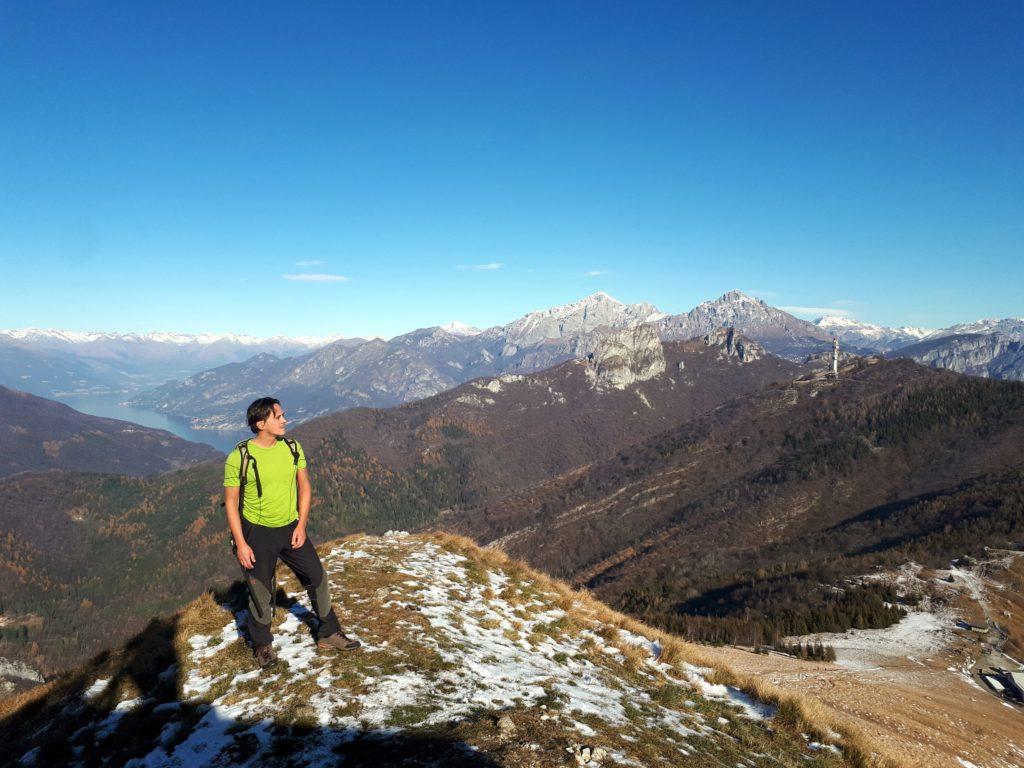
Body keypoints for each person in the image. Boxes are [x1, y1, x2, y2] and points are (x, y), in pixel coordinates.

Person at [223, 396, 360, 668]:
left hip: (291, 528)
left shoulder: (293, 448)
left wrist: (301, 525)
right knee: (261, 592)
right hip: (256, 533)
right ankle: (262, 646)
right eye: (278, 417)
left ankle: (328, 634)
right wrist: (241, 543)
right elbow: (231, 503)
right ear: (261, 423)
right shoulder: (239, 457)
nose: (285, 420)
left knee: (317, 577)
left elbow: (305, 487)